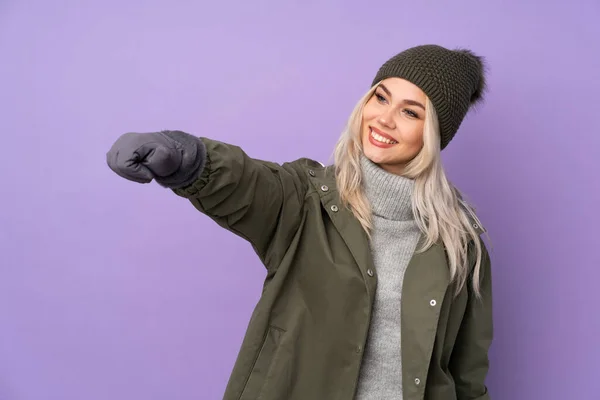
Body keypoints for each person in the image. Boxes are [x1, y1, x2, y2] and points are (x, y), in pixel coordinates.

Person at [106, 44, 493, 400]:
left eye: (411, 112)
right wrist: (185, 156)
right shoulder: (308, 199)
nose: (384, 119)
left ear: (434, 133)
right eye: (380, 97)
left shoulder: (459, 242)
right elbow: (248, 184)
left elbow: (466, 376)